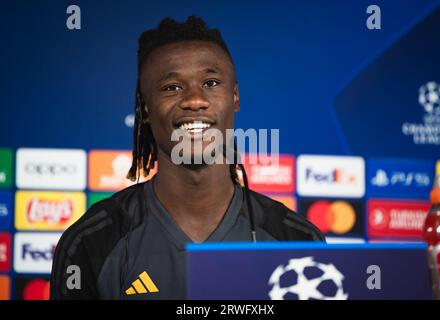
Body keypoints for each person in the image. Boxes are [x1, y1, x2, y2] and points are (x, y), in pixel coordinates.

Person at [50, 16, 324, 300]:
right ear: (146, 108)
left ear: (235, 96)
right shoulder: (90, 242)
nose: (194, 100)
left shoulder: (297, 242)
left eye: (210, 82)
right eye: (172, 87)